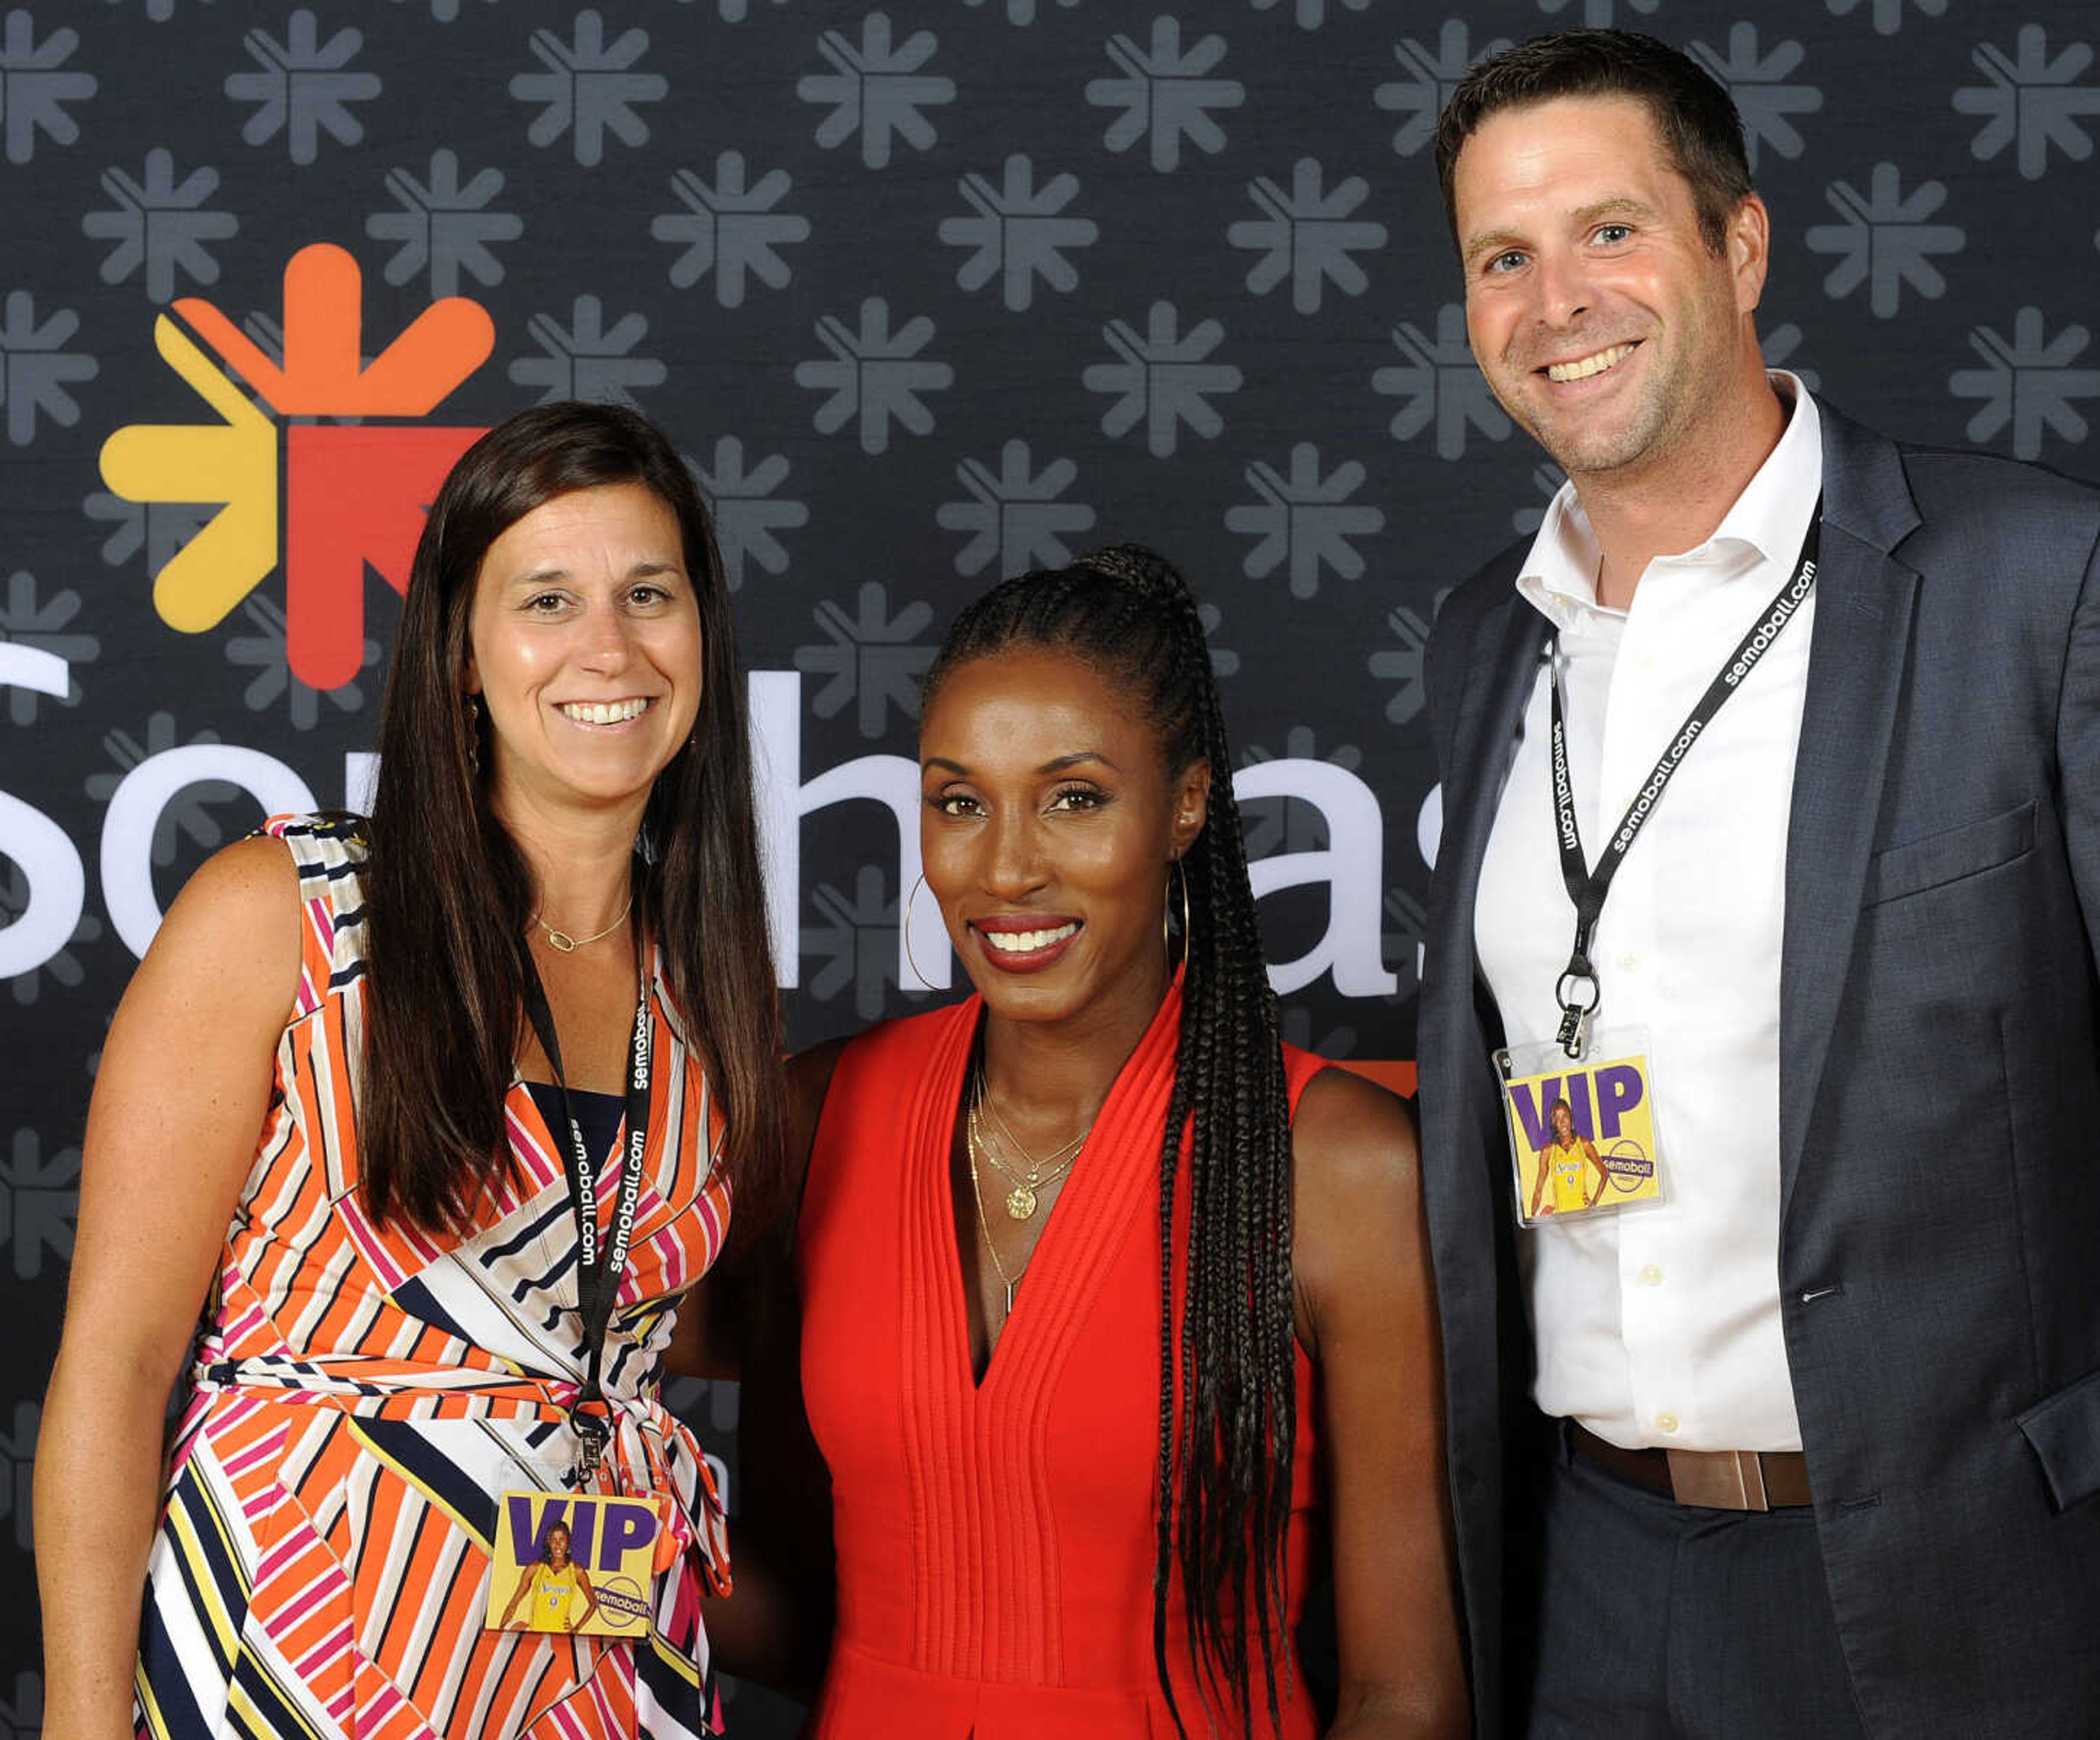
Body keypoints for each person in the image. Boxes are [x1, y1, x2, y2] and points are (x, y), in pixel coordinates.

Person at [1414, 27, 2100, 1740]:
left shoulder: (2037, 585)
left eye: (1609, 231)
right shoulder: (1487, 638)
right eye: (1499, 257)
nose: (1556, 301)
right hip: (1588, 1574)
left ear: (1736, 245)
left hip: (1981, 1596)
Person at [34, 401, 783, 1740]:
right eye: (546, 598)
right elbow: (116, 1359)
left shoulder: (702, 980)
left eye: (647, 594)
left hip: (596, 1667)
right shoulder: (290, 912)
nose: (606, 647)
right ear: (463, 654)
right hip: (296, 1660)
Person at [728, 546, 1466, 1737]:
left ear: (1183, 805)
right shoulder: (820, 1117)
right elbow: (796, 1623)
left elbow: (1408, 1699)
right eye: (959, 803)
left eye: (1074, 798)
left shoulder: (1338, 1167)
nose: (1008, 867)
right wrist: (592, 1531)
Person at [500, 1521, 599, 1634]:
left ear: (568, 1542)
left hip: (561, 1637)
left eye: (562, 1539)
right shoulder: (535, 1568)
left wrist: (577, 1628)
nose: (558, 1545)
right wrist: (499, 1634)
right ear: (549, 1543)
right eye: (553, 1540)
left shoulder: (577, 1571)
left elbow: (593, 1604)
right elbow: (513, 1604)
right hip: (536, 1636)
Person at [1529, 1099, 1607, 1219]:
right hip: (1561, 1218)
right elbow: (1538, 1190)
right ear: (1554, 1123)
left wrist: (1594, 1203)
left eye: (1565, 1116)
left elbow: (1604, 1174)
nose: (1562, 1122)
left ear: (1571, 1117)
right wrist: (1534, 1218)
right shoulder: (1548, 1151)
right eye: (1557, 1118)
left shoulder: (1584, 1145)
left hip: (1584, 1215)